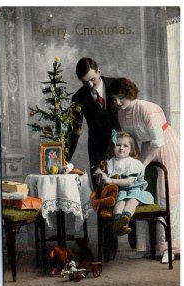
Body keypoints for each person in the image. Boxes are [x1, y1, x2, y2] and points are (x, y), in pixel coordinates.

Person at [108, 77, 180, 263]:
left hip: (165, 146)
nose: (117, 102)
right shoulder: (122, 112)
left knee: (166, 197)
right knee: (139, 191)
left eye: (121, 97)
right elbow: (130, 142)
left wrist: (143, 163)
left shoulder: (148, 109)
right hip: (147, 148)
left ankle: (170, 248)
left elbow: (158, 141)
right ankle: (144, 247)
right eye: (114, 98)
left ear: (130, 94)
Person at [68, 57, 119, 187]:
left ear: (99, 72)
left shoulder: (116, 85)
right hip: (97, 148)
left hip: (121, 143)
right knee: (100, 189)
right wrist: (65, 159)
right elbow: (75, 131)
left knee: (123, 188)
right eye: (85, 82)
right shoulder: (78, 98)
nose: (90, 85)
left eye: (92, 79)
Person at [95, 130, 154, 235]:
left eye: (125, 146)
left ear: (131, 149)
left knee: (131, 202)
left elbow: (130, 181)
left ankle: (125, 218)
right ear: (113, 147)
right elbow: (100, 172)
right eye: (118, 145)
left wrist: (111, 180)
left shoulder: (133, 163)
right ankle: (119, 223)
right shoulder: (111, 162)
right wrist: (102, 173)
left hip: (134, 189)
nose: (121, 148)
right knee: (119, 204)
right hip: (121, 190)